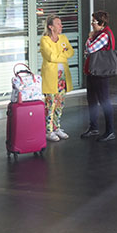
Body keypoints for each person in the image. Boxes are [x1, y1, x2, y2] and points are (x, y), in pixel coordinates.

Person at [81, 10, 116, 142]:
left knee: (104, 101)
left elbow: (89, 49)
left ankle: (110, 131)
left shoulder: (104, 35)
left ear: (101, 23)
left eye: (94, 21)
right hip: (93, 71)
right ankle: (93, 127)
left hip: (100, 73)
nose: (92, 24)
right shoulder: (100, 34)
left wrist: (90, 37)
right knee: (92, 100)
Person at [40, 14, 75, 142]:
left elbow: (71, 52)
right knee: (50, 104)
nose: (61, 26)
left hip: (62, 77)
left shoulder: (63, 38)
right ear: (51, 27)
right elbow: (50, 57)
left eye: (61, 23)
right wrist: (63, 53)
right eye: (58, 24)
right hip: (51, 77)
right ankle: (48, 130)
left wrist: (59, 54)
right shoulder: (44, 40)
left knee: (60, 104)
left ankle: (57, 127)